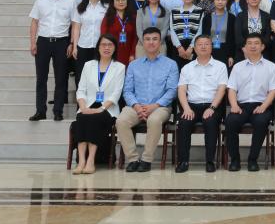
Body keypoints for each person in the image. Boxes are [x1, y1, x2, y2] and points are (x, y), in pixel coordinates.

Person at [116, 27, 178, 173]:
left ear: (160, 42)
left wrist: (154, 106)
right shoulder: (133, 65)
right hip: (136, 106)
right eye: (148, 39)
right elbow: (127, 91)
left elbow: (172, 91)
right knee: (121, 121)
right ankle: (133, 159)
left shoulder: (171, 64)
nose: (151, 42)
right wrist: (137, 106)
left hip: (160, 107)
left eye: (155, 39)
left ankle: (146, 160)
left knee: (154, 120)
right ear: (143, 43)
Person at [224, 33, 275, 171]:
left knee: (261, 122)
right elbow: (231, 89)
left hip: (262, 105)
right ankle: (235, 160)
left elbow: (273, 90)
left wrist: (263, 106)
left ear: (262, 47)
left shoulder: (271, 67)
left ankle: (252, 160)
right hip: (241, 106)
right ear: (245, 47)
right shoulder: (238, 67)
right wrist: (234, 105)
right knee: (230, 121)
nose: (253, 46)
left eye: (256, 43)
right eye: (249, 43)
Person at [71, 34, 126, 174]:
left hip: (108, 108)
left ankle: (90, 161)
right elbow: (81, 90)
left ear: (115, 48)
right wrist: (83, 107)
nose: (106, 48)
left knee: (95, 118)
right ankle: (81, 161)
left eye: (110, 45)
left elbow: (116, 94)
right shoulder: (88, 65)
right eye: (103, 45)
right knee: (81, 117)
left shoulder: (120, 67)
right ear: (98, 47)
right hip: (88, 105)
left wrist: (101, 109)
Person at [174, 35, 228, 173]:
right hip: (191, 105)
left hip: (213, 105)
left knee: (211, 122)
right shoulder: (187, 68)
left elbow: (222, 89)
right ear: (195, 48)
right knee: (184, 122)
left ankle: (210, 161)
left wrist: (212, 108)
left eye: (207, 44)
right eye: (200, 44)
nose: (203, 46)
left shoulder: (220, 66)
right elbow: (181, 90)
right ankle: (183, 161)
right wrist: (186, 108)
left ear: (211, 47)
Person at [29, 0, 77, 122]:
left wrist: (72, 43)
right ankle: (40, 111)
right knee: (41, 78)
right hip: (43, 42)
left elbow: (75, 24)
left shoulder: (71, 1)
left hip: (62, 42)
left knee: (61, 78)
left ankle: (58, 111)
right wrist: (33, 42)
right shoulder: (41, 0)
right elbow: (34, 22)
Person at [71, 0, 107, 73]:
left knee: (98, 73)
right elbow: (76, 28)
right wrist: (75, 47)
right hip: (83, 45)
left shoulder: (106, 7)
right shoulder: (81, 7)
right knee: (81, 73)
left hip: (101, 46)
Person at [167, 0, 205, 69]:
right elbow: (172, 30)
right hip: (177, 46)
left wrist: (191, 47)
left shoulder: (200, 11)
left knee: (193, 70)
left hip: (193, 47)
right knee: (177, 70)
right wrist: (179, 47)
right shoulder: (174, 11)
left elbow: (199, 31)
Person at [100, 0, 138, 66]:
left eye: (123, 0)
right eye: (117, 0)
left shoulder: (133, 17)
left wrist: (132, 54)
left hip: (128, 53)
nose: (121, 2)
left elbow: (135, 37)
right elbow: (103, 36)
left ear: (127, 1)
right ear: (113, 2)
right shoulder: (108, 18)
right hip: (112, 52)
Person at [201, 0, 235, 68]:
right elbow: (204, 37)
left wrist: (231, 55)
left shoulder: (231, 18)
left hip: (225, 52)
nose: (220, 2)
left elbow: (232, 39)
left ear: (227, 0)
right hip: (210, 52)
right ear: (214, 0)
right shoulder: (207, 18)